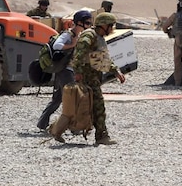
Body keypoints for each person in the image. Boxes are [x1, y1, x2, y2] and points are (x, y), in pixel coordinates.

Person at [71, 12, 125, 145]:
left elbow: (102, 58)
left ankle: (57, 128)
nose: (112, 29)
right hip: (87, 76)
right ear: (104, 25)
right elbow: (78, 54)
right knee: (97, 106)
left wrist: (116, 71)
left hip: (94, 77)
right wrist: (77, 72)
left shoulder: (98, 37)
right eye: (111, 25)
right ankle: (102, 136)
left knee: (89, 106)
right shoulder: (89, 36)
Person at [36, 10, 93, 131]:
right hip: (65, 71)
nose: (89, 26)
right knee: (73, 98)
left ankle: (42, 123)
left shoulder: (80, 36)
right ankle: (74, 127)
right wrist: (72, 45)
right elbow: (57, 45)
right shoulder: (68, 35)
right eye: (87, 23)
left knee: (57, 99)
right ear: (79, 23)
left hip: (68, 71)